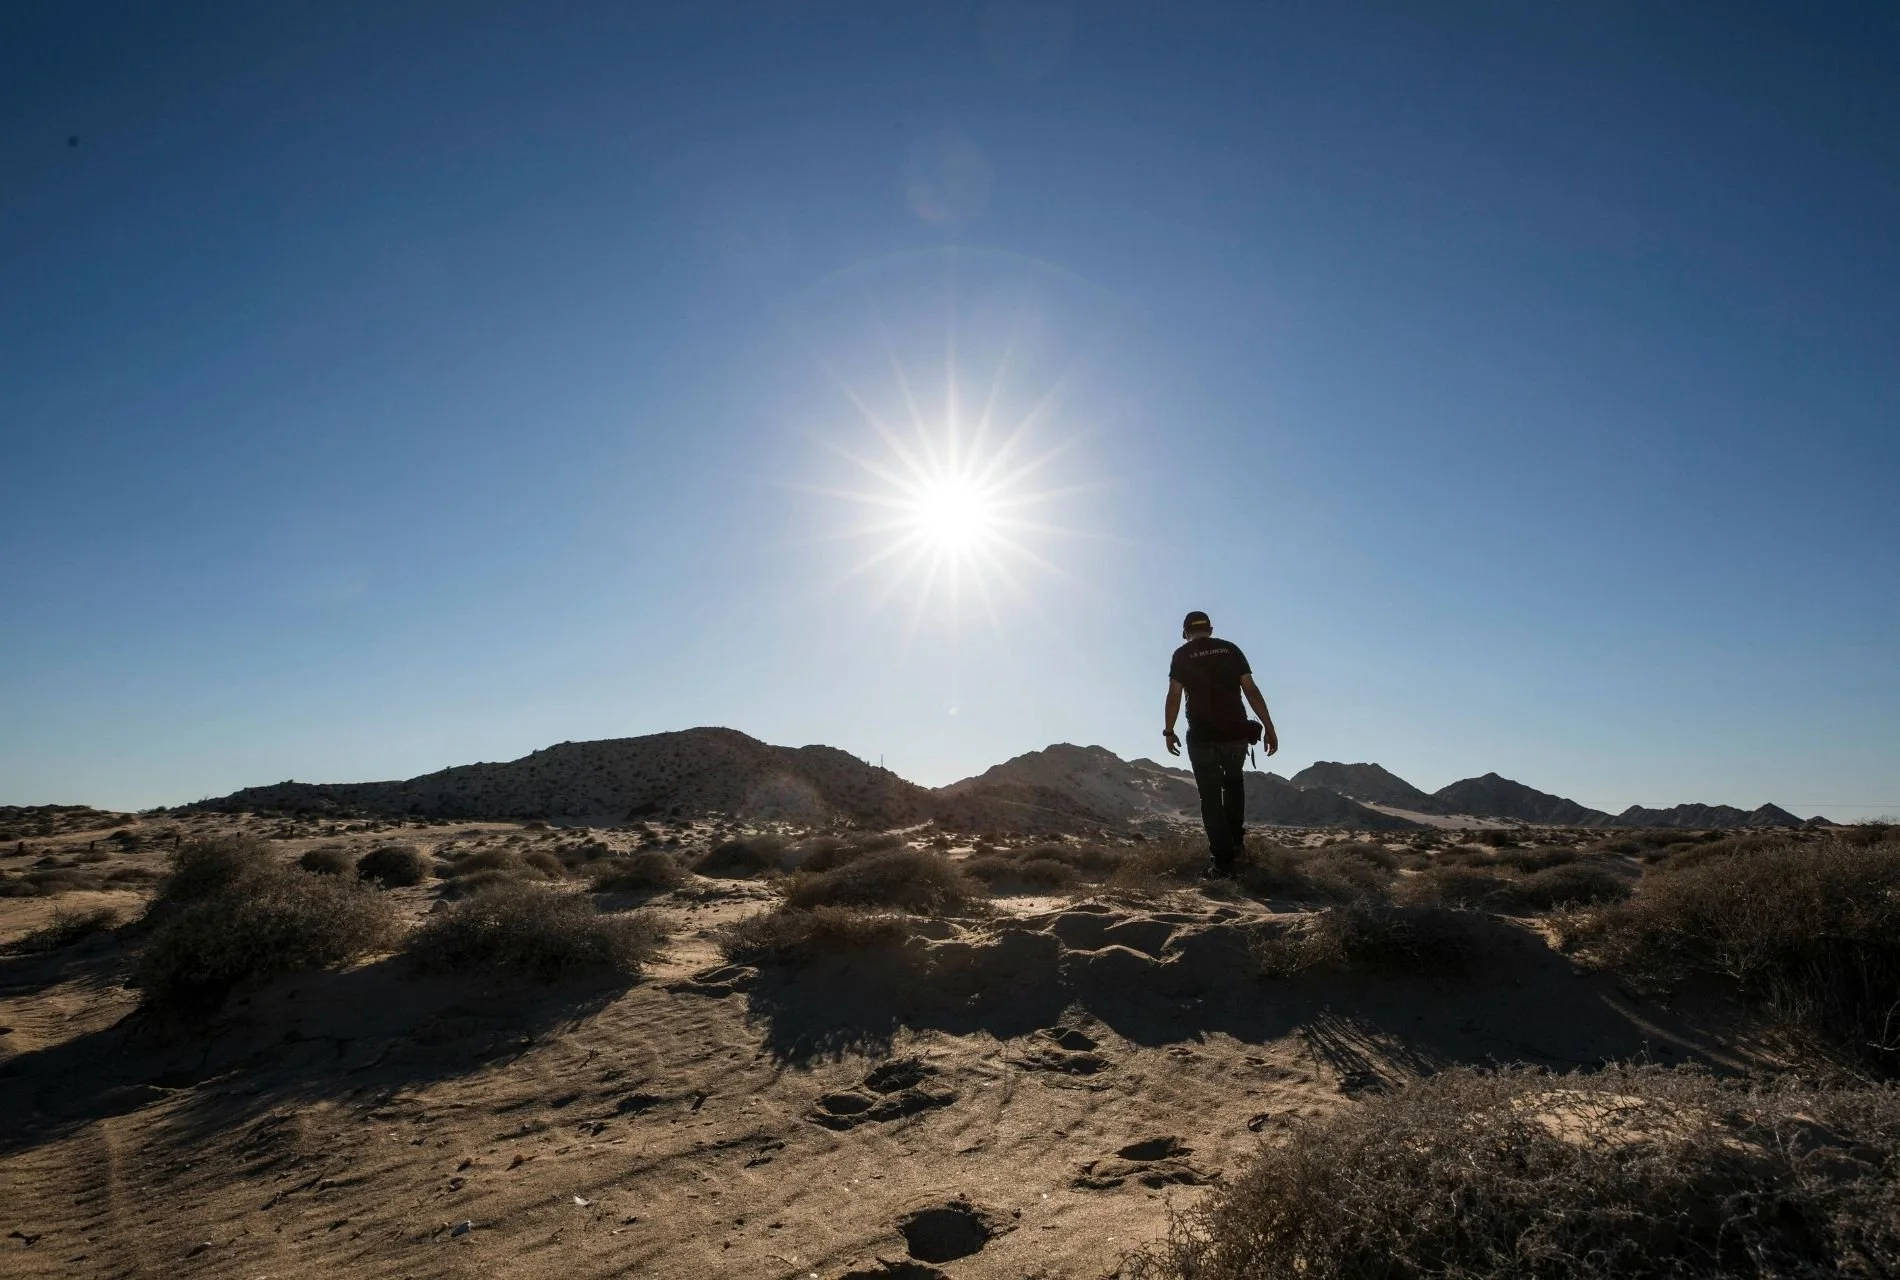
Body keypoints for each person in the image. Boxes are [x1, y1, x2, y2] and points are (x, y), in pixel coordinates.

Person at [1163, 610, 1278, 876]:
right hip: (1236, 733)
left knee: (1210, 798)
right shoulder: (1230, 650)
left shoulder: (1182, 655)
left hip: (1202, 736)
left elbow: (1174, 696)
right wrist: (1270, 728)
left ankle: (1223, 862)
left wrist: (1168, 732)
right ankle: (1237, 846)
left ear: (1185, 632)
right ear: (1211, 629)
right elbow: (1251, 690)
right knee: (1234, 785)